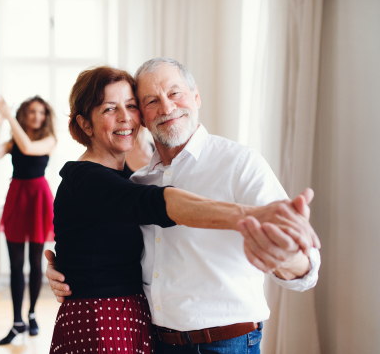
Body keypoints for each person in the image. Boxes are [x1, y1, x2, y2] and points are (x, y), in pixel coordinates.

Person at [47, 58, 322, 354]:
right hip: (153, 341)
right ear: (145, 115)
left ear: (196, 96)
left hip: (224, 343)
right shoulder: (139, 182)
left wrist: (287, 258)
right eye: (151, 100)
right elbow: (115, 233)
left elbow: (305, 266)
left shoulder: (239, 162)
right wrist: (67, 271)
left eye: (175, 93)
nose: (166, 107)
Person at [0, 95, 57, 344]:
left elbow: (27, 147)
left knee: (34, 262)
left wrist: (8, 117)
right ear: (24, 115)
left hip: (38, 199)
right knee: (16, 264)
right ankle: (17, 321)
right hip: (17, 197)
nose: (38, 116)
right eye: (32, 112)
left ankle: (32, 314)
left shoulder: (49, 139)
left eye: (42, 112)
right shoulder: (13, 139)